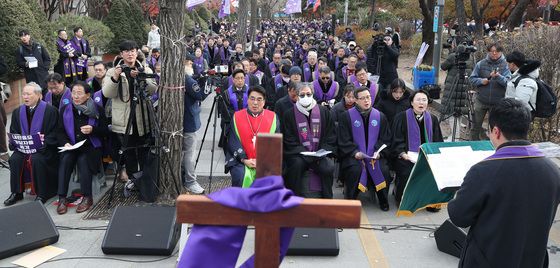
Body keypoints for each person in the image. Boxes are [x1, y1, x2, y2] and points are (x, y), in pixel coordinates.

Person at [448, 98, 560, 267]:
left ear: (496, 131)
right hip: (532, 259)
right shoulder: (552, 170)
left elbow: (459, 216)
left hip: (489, 259)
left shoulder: (484, 170)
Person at [102, 40, 157, 184]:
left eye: (133, 50)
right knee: (129, 154)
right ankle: (133, 182)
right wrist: (115, 77)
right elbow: (107, 93)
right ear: (121, 54)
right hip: (125, 120)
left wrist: (141, 76)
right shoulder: (112, 71)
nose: (130, 54)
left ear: (137, 52)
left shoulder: (145, 68)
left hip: (143, 119)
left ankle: (145, 182)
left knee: (145, 152)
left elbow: (153, 90)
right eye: (126, 51)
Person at [56, 81, 108, 214]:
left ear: (87, 95)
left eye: (79, 93)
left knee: (84, 160)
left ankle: (87, 197)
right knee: (65, 159)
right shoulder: (66, 109)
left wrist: (93, 129)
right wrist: (65, 142)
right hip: (72, 146)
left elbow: (105, 131)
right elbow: (60, 131)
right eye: (73, 93)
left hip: (91, 146)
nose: (76, 96)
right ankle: (62, 198)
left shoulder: (97, 109)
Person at [337, 86, 392, 210]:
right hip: (355, 156)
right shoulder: (346, 117)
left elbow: (385, 139)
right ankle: (351, 200)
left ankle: (383, 200)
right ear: (356, 100)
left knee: (383, 169)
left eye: (368, 97)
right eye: (363, 98)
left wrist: (379, 153)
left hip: (374, 156)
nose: (367, 101)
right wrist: (354, 152)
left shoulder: (380, 116)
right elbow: (343, 139)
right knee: (355, 170)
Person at [4, 82, 59, 206]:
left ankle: (42, 193)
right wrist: (14, 140)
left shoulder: (50, 111)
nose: (25, 97)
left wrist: (44, 141)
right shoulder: (18, 112)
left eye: (28, 94)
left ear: (38, 95)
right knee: (15, 159)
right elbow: (14, 131)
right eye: (23, 94)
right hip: (24, 148)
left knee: (36, 159)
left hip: (44, 149)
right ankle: (16, 192)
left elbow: (56, 133)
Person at [282, 83, 337, 198]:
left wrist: (322, 151)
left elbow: (330, 135)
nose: (305, 97)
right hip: (299, 154)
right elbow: (288, 139)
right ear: (296, 96)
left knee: (328, 167)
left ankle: (327, 198)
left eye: (308, 94)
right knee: (295, 166)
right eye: (302, 95)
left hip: (319, 153)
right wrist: (303, 151)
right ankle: (293, 198)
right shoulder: (289, 114)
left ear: (313, 94)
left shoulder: (323, 112)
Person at [391, 90, 443, 204]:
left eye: (424, 100)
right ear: (411, 102)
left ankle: (430, 200)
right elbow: (396, 140)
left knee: (435, 170)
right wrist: (403, 154)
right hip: (406, 156)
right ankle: (403, 198)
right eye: (418, 100)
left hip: (426, 156)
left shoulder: (432, 119)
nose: (421, 103)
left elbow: (438, 141)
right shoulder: (401, 117)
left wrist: (434, 156)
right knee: (407, 171)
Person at [226, 86, 279, 187]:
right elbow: (233, 141)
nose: (255, 103)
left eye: (259, 99)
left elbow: (275, 144)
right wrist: (244, 159)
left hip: (265, 161)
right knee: (240, 175)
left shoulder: (273, 117)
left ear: (264, 101)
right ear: (247, 99)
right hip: (241, 161)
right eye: (252, 99)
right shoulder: (237, 116)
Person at [469, 43, 511, 140]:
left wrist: (498, 77)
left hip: (497, 102)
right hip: (481, 100)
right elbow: (472, 78)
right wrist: (481, 81)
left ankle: (494, 148)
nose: (494, 53)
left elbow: (508, 83)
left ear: (501, 52)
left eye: (497, 52)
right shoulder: (481, 63)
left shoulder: (505, 65)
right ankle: (473, 145)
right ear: (488, 52)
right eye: (492, 51)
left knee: (495, 128)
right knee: (475, 126)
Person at [182, 56, 210, 194]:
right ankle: (190, 181)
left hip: (184, 120)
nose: (192, 65)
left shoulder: (184, 77)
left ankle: (185, 177)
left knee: (184, 153)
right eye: (189, 62)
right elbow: (200, 95)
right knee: (189, 154)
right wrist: (206, 81)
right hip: (188, 122)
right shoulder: (186, 79)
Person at [440, 43, 474, 117]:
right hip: (465, 86)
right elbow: (473, 69)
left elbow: (443, 67)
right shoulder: (470, 57)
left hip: (452, 86)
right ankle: (458, 126)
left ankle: (455, 128)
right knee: (461, 109)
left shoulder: (453, 56)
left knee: (450, 111)